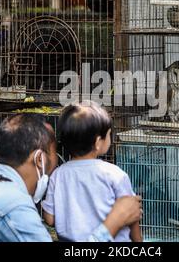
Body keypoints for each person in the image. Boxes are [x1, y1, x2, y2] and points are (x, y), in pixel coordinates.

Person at [0, 113, 142, 242]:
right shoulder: (14, 207)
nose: (57, 160)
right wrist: (114, 222)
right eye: (55, 152)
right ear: (39, 159)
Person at [42, 101, 143, 242]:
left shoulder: (58, 175)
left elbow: (49, 218)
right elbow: (132, 214)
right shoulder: (114, 174)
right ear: (97, 142)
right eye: (108, 135)